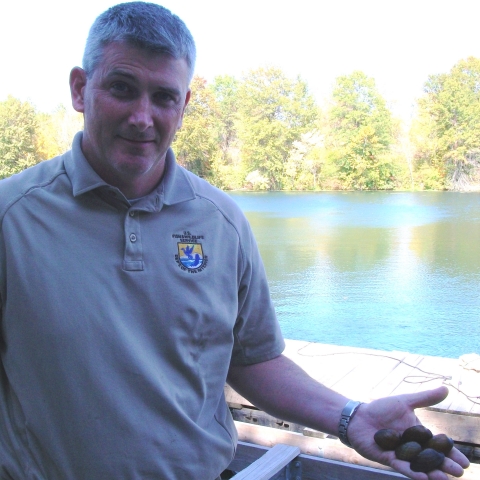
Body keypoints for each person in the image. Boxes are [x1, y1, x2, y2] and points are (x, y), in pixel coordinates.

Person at [0, 3, 470, 480]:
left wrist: (350, 418)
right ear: (81, 89)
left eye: (164, 97)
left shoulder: (221, 222)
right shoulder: (10, 218)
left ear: (182, 107)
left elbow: (253, 360)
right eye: (122, 88)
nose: (143, 117)